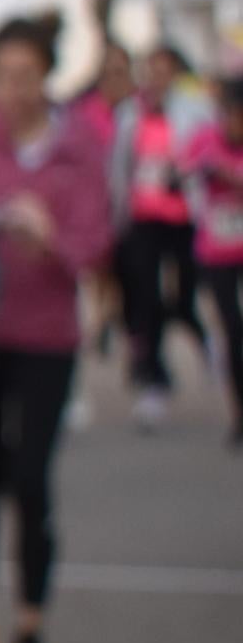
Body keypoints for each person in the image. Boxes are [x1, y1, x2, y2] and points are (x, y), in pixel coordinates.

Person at [0, 20, 118, 643]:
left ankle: (29, 631)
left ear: (47, 75)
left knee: (31, 480)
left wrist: (52, 243)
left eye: (25, 77)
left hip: (47, 336)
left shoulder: (77, 145)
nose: (11, 92)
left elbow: (95, 243)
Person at [110, 42, 213, 428]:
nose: (156, 76)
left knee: (185, 296)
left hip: (185, 217)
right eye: (150, 69)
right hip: (142, 218)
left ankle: (210, 348)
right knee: (146, 299)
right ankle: (153, 379)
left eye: (163, 68)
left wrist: (183, 172)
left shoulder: (195, 111)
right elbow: (118, 168)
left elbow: (208, 155)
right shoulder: (129, 113)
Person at [186, 74, 243, 447]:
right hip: (218, 252)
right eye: (228, 113)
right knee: (233, 335)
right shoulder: (205, 139)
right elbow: (181, 170)